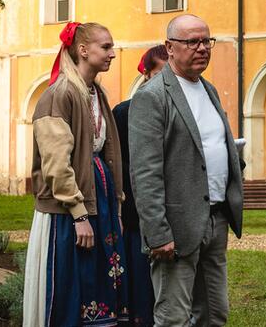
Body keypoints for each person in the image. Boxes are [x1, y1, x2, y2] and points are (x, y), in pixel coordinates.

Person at [129, 14, 244, 326]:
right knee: (173, 317)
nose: (202, 48)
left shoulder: (209, 89)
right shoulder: (152, 96)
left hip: (216, 217)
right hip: (176, 227)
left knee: (215, 313)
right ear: (169, 47)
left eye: (206, 41)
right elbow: (145, 172)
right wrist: (157, 233)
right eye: (192, 41)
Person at [23, 21, 128, 327]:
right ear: (83, 50)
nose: (112, 54)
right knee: (69, 283)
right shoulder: (59, 94)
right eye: (105, 47)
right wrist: (79, 215)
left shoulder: (97, 93)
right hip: (67, 210)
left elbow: (107, 152)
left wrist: (115, 207)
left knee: (98, 283)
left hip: (100, 198)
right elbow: (56, 163)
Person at [111, 45, 170, 326]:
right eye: (160, 74)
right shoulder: (124, 112)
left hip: (171, 207)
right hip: (137, 210)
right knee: (140, 278)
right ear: (146, 74)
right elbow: (119, 162)